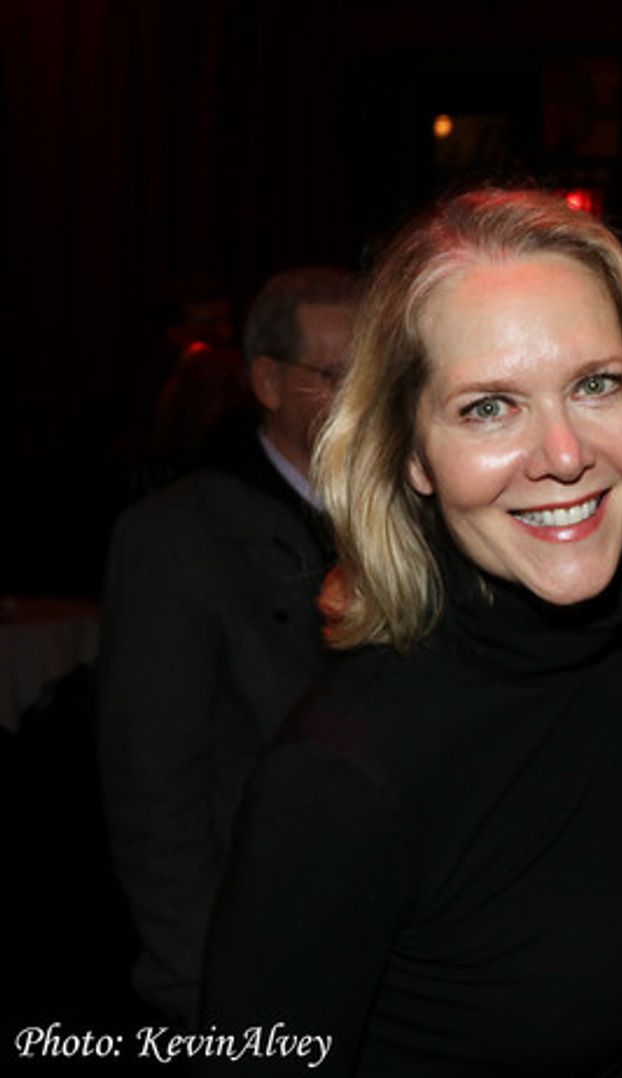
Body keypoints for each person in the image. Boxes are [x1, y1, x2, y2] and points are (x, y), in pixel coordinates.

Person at [200, 189, 622, 1075]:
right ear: (412, 455)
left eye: (595, 384)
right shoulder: (339, 786)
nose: (565, 454)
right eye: (488, 407)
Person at [99, 265, 359, 1028]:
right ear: (268, 383)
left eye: (376, 371)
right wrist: (201, 988)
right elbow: (153, 792)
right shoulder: (177, 538)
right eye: (335, 375)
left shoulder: (418, 512)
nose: (362, 396)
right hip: (254, 962)